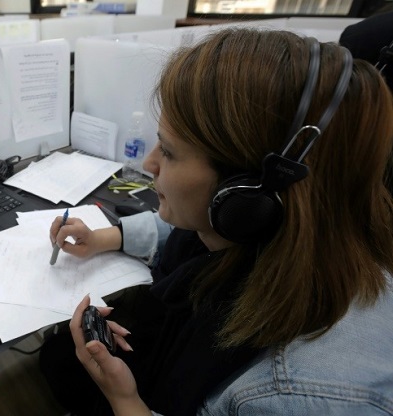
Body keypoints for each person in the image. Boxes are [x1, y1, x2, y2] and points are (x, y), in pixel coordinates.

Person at [40, 28, 393, 416]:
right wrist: (106, 237)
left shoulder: (293, 398)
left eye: (169, 152)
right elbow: (187, 227)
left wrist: (124, 400)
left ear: (243, 195)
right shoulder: (292, 223)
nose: (148, 164)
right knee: (57, 360)